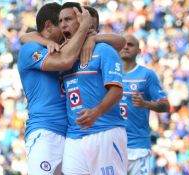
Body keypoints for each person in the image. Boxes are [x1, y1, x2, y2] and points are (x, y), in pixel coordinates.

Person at [17, 3, 93, 175]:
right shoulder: (30, 48)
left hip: (70, 134)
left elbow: (118, 42)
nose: (66, 27)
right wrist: (84, 28)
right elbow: (64, 61)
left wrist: (90, 37)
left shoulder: (63, 47)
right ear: (49, 26)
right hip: (45, 131)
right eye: (61, 22)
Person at [58, 2, 127, 174]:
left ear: (83, 21)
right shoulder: (63, 56)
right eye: (60, 21)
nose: (63, 25)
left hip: (105, 131)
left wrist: (96, 112)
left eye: (68, 19)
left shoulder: (104, 50)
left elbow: (117, 91)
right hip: (74, 137)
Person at [118, 35, 170, 175]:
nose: (126, 46)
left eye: (131, 44)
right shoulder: (109, 74)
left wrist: (146, 103)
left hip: (137, 146)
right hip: (113, 144)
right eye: (123, 44)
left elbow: (165, 105)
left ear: (139, 51)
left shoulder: (147, 75)